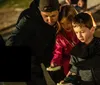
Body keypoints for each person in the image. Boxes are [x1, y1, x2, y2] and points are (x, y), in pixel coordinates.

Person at [6, 0, 60, 85]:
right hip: (30, 54)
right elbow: (13, 38)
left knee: (62, 78)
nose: (49, 20)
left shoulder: (63, 13)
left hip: (51, 50)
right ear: (39, 10)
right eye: (46, 16)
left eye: (53, 15)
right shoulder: (27, 18)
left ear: (59, 10)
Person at [58, 12, 100, 85]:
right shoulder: (76, 51)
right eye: (76, 33)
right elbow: (74, 70)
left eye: (82, 32)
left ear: (92, 30)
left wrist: (80, 64)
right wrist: (66, 81)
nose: (79, 36)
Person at [46, 5, 79, 82]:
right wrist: (55, 61)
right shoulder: (60, 37)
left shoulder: (80, 32)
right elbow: (58, 51)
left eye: (68, 22)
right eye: (62, 23)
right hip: (69, 66)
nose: (66, 26)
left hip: (82, 63)